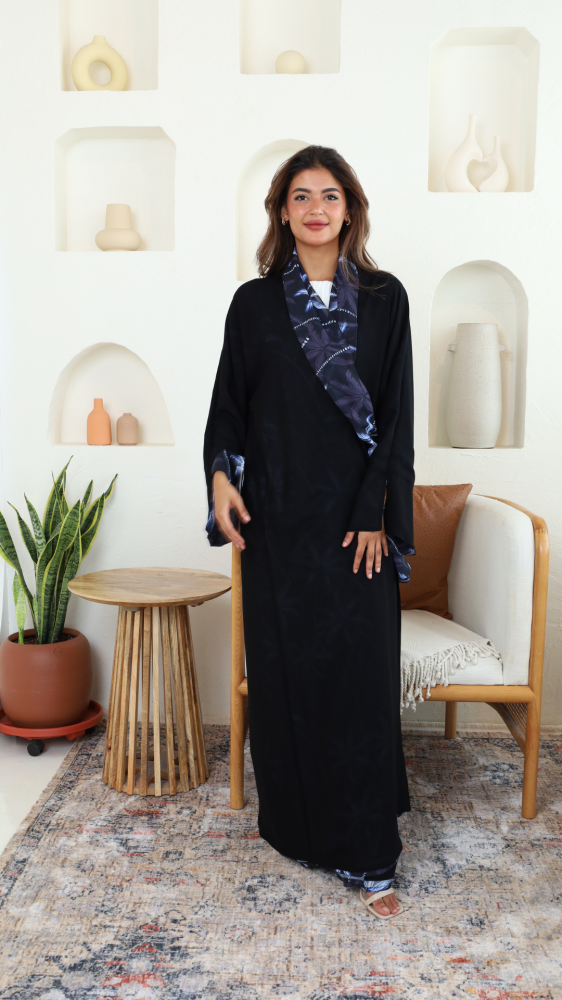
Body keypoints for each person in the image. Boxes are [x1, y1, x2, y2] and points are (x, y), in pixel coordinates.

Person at [204, 145, 415, 919]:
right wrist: (221, 478)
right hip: (280, 527)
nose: (316, 208)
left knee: (357, 684)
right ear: (282, 212)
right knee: (288, 677)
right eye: (301, 195)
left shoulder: (386, 299)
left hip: (356, 526)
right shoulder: (253, 304)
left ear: (349, 209)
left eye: (330, 195)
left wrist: (375, 512)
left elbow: (396, 416)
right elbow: (229, 405)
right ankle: (296, 826)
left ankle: (370, 852)